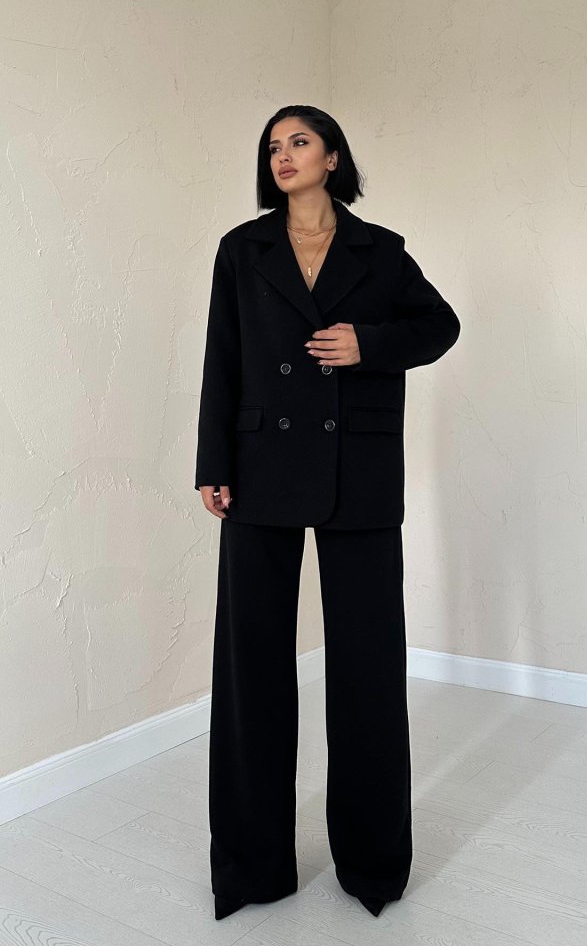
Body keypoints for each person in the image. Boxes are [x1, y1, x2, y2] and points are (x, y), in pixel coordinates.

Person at [195, 104, 461, 921]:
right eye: (273, 145)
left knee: (367, 671)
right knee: (251, 670)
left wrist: (368, 345)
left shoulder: (381, 251)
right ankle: (252, 867)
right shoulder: (242, 249)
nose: (283, 155)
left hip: (360, 472)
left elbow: (440, 325)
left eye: (299, 142)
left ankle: (373, 866)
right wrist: (212, 463)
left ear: (333, 157)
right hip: (260, 470)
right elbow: (222, 356)